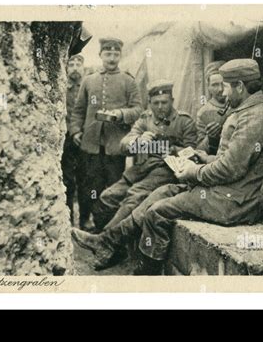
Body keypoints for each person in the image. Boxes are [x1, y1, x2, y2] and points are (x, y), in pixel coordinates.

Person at [71, 58, 263, 275]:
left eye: (226, 86)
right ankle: (107, 241)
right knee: (162, 192)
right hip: (228, 192)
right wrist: (203, 157)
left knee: (158, 212)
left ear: (240, 86)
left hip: (236, 202)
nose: (223, 93)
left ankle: (146, 276)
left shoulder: (255, 117)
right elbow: (230, 162)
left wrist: (193, 171)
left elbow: (230, 169)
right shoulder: (249, 113)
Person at [91, 80, 197, 240]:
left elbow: (192, 154)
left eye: (164, 102)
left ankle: (105, 240)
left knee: (134, 196)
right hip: (141, 169)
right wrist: (139, 141)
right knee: (108, 196)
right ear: (149, 103)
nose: (160, 107)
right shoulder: (144, 120)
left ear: (172, 101)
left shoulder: (184, 121)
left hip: (167, 172)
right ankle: (107, 239)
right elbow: (124, 145)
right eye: (156, 103)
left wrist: (173, 150)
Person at [69, 37, 143, 231]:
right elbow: (78, 110)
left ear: (120, 55)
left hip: (114, 146)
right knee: (90, 186)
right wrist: (76, 130)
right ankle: (86, 222)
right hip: (90, 144)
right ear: (100, 55)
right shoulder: (89, 80)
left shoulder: (128, 81)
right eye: (108, 54)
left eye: (115, 54)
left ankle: (107, 226)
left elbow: (137, 110)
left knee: (112, 187)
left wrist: (120, 114)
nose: (112, 58)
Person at [61, 54, 89, 227]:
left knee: (85, 179)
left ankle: (85, 220)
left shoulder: (87, 88)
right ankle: (68, 219)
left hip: (83, 138)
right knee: (67, 180)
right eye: (71, 64)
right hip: (65, 141)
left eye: (79, 63)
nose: (75, 67)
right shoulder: (62, 87)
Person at [196, 60, 231, 155]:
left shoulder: (236, 105)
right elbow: (199, 150)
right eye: (215, 85)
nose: (220, 89)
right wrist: (210, 138)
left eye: (223, 84)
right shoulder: (203, 112)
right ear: (208, 87)